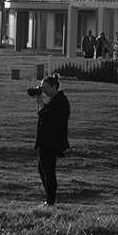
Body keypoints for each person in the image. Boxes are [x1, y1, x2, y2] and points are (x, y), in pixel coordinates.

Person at [34, 75, 71, 207]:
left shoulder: (59, 101)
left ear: (54, 87)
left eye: (45, 88)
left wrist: (41, 104)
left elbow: (49, 118)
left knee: (48, 171)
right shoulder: (55, 99)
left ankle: (50, 202)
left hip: (51, 141)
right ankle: (50, 199)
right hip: (48, 140)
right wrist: (42, 104)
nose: (43, 90)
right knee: (42, 169)